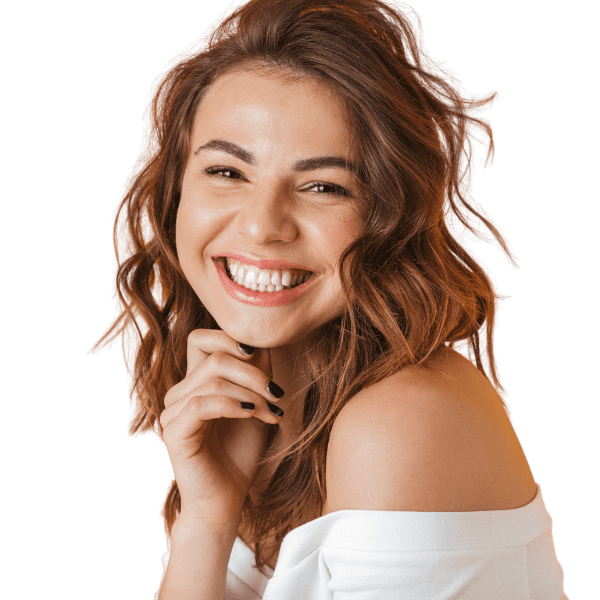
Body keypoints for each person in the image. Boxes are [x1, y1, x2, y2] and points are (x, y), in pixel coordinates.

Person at [94, 0, 568, 597]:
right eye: (227, 173)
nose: (262, 226)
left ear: (388, 215)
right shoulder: (257, 409)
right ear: (174, 195)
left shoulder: (400, 420)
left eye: (323, 186)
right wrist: (206, 522)